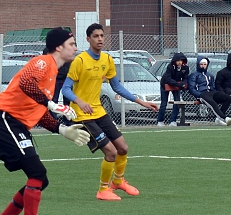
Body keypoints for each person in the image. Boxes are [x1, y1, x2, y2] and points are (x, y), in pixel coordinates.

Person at [0, 28, 91, 215]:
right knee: (37, 174)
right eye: (71, 43)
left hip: (15, 125)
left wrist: (63, 130)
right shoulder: (44, 62)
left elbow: (40, 109)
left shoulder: (52, 72)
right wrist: (53, 104)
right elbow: (26, 82)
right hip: (6, 120)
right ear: (58, 47)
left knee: (40, 179)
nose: (75, 47)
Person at [62, 23, 160, 201]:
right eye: (96, 36)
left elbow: (117, 87)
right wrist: (79, 101)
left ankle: (118, 181)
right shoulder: (80, 61)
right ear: (88, 39)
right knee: (111, 152)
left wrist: (140, 101)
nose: (100, 39)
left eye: (101, 35)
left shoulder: (107, 60)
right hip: (82, 116)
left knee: (123, 148)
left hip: (99, 112)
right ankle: (102, 190)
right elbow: (66, 89)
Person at [187, 56, 231, 126]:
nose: (203, 66)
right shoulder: (194, 75)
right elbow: (192, 88)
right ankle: (224, 118)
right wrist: (199, 95)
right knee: (212, 103)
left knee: (228, 98)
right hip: (202, 94)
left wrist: (217, 93)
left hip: (211, 93)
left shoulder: (210, 75)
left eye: (205, 64)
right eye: (201, 64)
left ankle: (218, 119)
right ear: (198, 65)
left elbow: (213, 87)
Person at [156, 53, 189, 127]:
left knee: (177, 102)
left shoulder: (185, 68)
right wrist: (179, 84)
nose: (179, 62)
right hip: (165, 85)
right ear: (174, 61)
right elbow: (168, 79)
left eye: (181, 60)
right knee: (164, 103)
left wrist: (183, 84)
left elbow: (185, 78)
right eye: (178, 61)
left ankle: (173, 120)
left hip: (176, 86)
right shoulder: (170, 67)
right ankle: (160, 121)